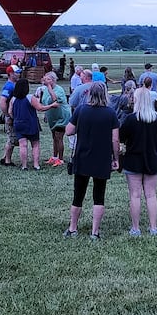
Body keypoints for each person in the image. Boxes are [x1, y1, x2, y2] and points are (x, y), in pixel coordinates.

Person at [64, 82, 120, 239]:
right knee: (99, 195)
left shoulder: (81, 110)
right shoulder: (110, 113)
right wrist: (116, 158)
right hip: (102, 159)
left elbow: (68, 131)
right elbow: (115, 140)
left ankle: (72, 228)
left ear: (89, 93)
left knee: (78, 194)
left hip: (82, 157)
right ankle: (95, 232)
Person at [120, 86, 157, 236]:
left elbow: (121, 137)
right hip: (151, 159)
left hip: (133, 160)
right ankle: (153, 228)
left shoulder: (131, 119)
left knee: (135, 195)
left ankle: (136, 228)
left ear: (137, 100)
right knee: (151, 195)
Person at [10, 76, 44, 171]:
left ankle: (24, 166)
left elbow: (10, 112)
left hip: (18, 124)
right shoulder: (30, 97)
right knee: (35, 144)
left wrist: (15, 118)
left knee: (22, 145)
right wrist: (52, 105)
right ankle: (36, 165)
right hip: (31, 124)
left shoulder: (13, 99)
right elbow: (40, 108)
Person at [38, 71, 70, 167]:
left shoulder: (58, 89)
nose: (46, 81)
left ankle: (60, 159)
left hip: (61, 117)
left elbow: (55, 99)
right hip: (52, 117)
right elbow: (45, 102)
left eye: (48, 79)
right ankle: (55, 157)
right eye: (45, 79)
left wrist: (48, 87)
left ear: (53, 80)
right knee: (54, 137)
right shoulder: (45, 90)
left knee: (59, 136)